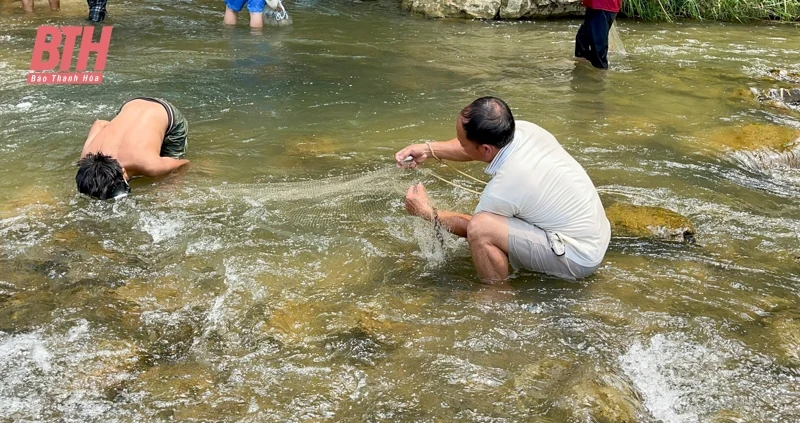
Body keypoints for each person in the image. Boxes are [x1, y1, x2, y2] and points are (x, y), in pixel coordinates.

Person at [395, 97, 610, 283]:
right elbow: (473, 148)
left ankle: (497, 298)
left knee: (482, 229)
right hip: (596, 234)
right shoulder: (524, 130)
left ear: (485, 148)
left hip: (578, 258)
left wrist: (426, 211)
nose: (460, 144)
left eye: (461, 141)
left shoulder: (509, 181)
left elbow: (472, 229)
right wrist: (427, 149)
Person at [77, 98, 190, 200]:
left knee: (168, 177)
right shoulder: (87, 155)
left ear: (123, 171)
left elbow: (182, 163)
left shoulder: (151, 166)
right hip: (130, 104)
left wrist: (171, 189)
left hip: (166, 112)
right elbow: (99, 124)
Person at [574, 0, 620, 69]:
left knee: (597, 45)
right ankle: (582, 65)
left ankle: (600, 71)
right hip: (597, 6)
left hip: (602, 6)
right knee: (582, 40)